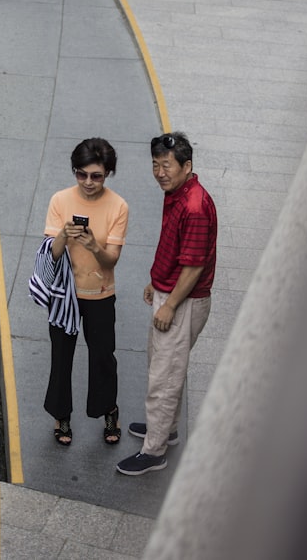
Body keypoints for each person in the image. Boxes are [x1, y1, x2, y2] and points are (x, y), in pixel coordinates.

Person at [117, 132, 217, 475]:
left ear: (187, 166)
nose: (160, 172)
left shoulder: (194, 205)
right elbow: (178, 252)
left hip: (182, 301)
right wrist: (155, 281)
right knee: (165, 368)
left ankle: (154, 451)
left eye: (167, 165)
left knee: (163, 377)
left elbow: (193, 266)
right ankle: (166, 430)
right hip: (170, 292)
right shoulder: (177, 192)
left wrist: (170, 304)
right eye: (156, 165)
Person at [42, 138, 129, 446]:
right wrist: (65, 235)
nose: (88, 182)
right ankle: (60, 413)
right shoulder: (59, 200)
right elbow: (50, 255)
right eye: (82, 174)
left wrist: (94, 245)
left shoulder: (118, 206)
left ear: (108, 174)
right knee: (61, 355)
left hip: (101, 294)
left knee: (103, 355)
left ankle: (109, 409)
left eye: (96, 176)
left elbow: (112, 260)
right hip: (65, 293)